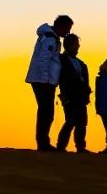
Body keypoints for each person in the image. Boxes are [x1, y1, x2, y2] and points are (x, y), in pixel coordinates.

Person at [26, 15, 73, 151]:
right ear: (61, 26)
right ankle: (43, 143)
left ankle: (43, 142)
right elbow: (43, 60)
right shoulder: (50, 40)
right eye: (67, 29)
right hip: (43, 81)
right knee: (46, 112)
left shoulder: (49, 37)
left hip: (43, 80)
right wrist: (46, 79)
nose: (67, 33)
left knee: (45, 112)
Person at [56, 34, 91, 153]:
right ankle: (61, 146)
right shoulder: (61, 60)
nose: (78, 46)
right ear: (69, 45)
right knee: (71, 121)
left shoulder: (81, 63)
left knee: (81, 122)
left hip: (80, 97)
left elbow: (85, 81)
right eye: (76, 44)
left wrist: (87, 95)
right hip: (69, 96)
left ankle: (80, 147)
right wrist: (64, 95)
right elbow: (61, 79)